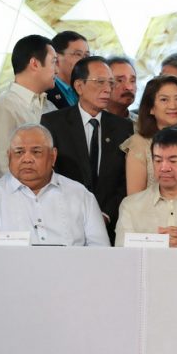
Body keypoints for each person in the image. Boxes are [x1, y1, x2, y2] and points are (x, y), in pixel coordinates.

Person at [0, 124, 110, 246]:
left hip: (70, 283)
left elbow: (100, 250)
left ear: (53, 156)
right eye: (19, 152)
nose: (27, 159)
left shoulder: (80, 195)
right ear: (9, 156)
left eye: (36, 152)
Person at [41, 57, 133, 243]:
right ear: (79, 86)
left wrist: (106, 213)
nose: (108, 89)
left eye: (110, 82)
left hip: (111, 226)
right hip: (64, 225)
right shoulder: (53, 123)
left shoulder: (123, 128)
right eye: (100, 82)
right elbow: (48, 175)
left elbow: (125, 180)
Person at [121, 75, 177, 195]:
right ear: (151, 108)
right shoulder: (139, 144)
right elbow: (134, 199)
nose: (173, 106)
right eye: (164, 99)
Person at [0, 35, 58, 180]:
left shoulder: (50, 107)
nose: (57, 70)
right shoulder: (4, 108)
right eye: (53, 62)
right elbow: (2, 168)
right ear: (35, 64)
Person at [47, 31, 90, 109]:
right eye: (78, 54)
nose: (84, 60)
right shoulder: (45, 91)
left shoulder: (85, 89)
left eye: (87, 55)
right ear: (56, 57)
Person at [106, 56, 138, 122]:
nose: (129, 87)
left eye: (132, 81)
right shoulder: (92, 123)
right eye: (120, 80)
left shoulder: (142, 126)